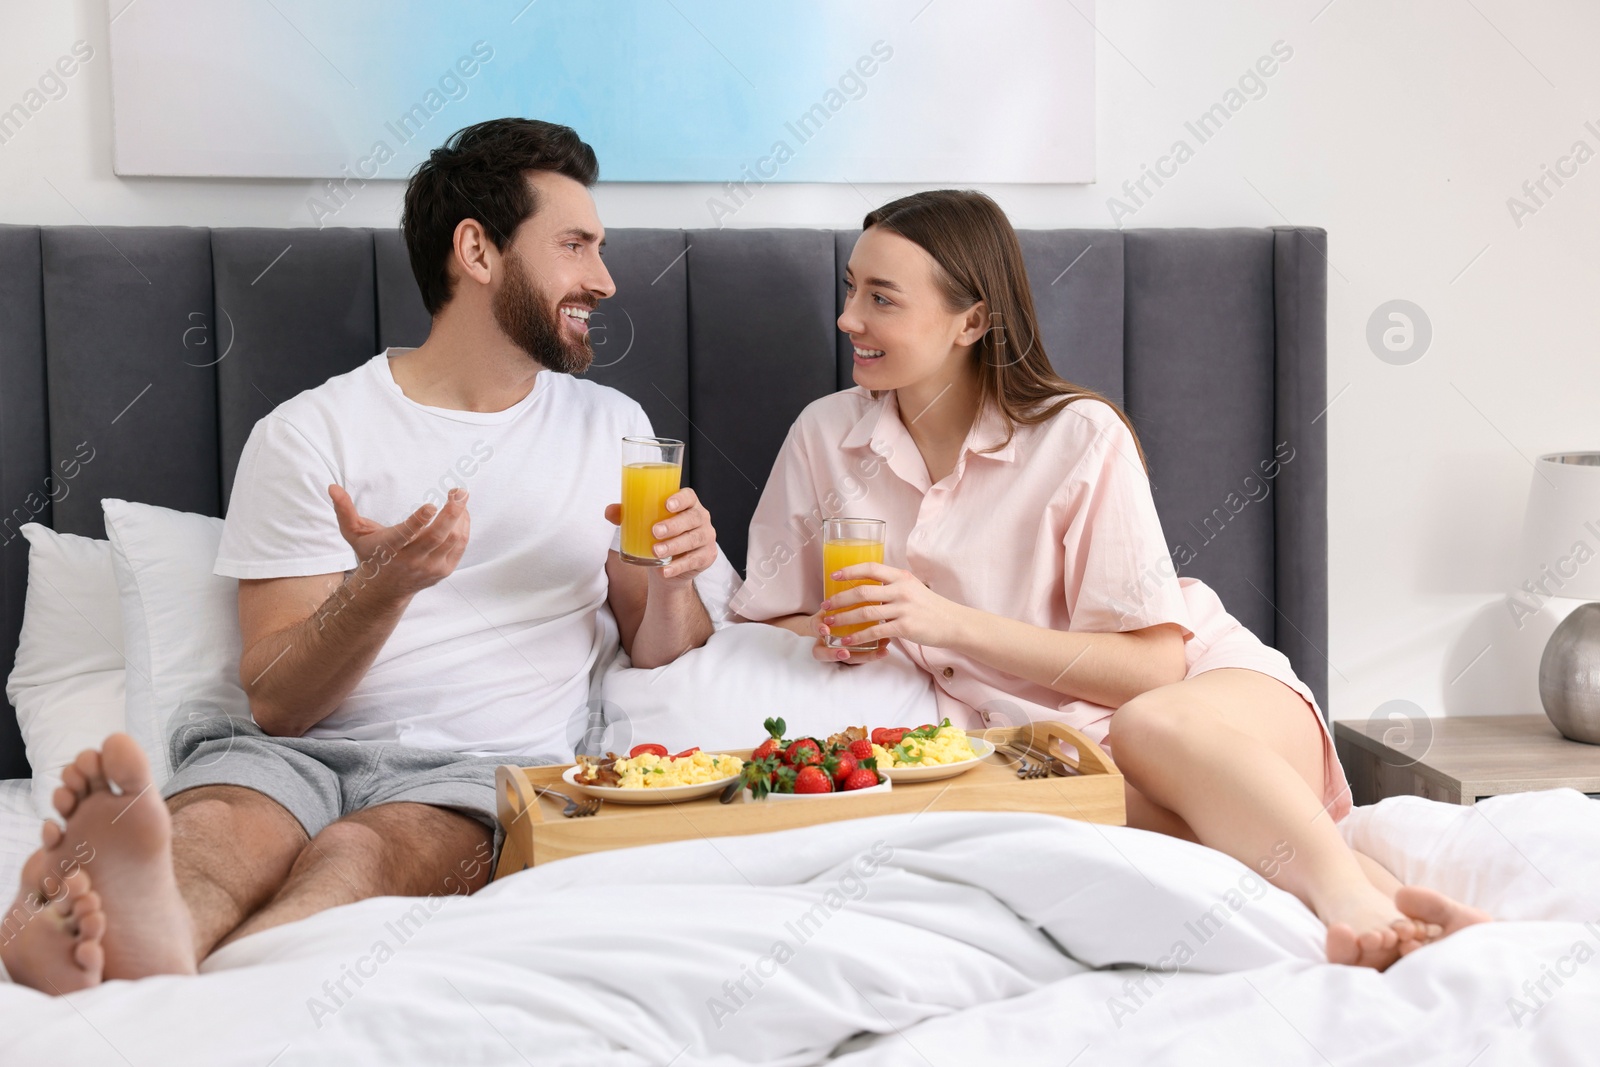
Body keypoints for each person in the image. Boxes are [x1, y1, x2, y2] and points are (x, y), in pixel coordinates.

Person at [1, 118, 721, 994]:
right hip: (283, 757)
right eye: (574, 246)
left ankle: (218, 1002)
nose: (604, 280)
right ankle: (95, 933)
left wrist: (673, 574)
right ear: (477, 251)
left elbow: (658, 646)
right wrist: (382, 590)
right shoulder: (312, 433)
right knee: (214, 835)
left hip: (477, 771)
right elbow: (278, 703)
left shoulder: (615, 428)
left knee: (361, 857)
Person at [731, 189, 1489, 969]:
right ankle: (1402, 918)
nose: (848, 317)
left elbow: (1153, 668)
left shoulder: (1076, 437)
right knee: (1133, 819)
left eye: (880, 298)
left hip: (1205, 697)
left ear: (973, 321)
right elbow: (766, 618)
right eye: (851, 288)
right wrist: (836, 631)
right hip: (1046, 750)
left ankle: (1354, 905)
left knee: (1149, 728)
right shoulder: (825, 436)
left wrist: (941, 620)